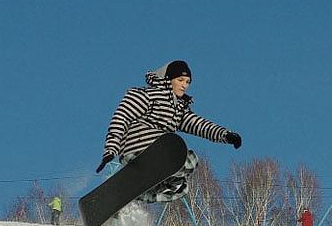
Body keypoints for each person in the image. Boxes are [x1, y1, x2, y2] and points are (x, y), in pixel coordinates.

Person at [96, 61, 242, 202]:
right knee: (174, 151)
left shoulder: (179, 108)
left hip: (159, 156)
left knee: (188, 164)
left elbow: (199, 124)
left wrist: (225, 135)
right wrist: (111, 149)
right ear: (168, 79)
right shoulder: (147, 95)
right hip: (137, 148)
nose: (184, 85)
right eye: (180, 80)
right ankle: (148, 170)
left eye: (188, 82)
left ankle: (144, 194)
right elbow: (121, 117)